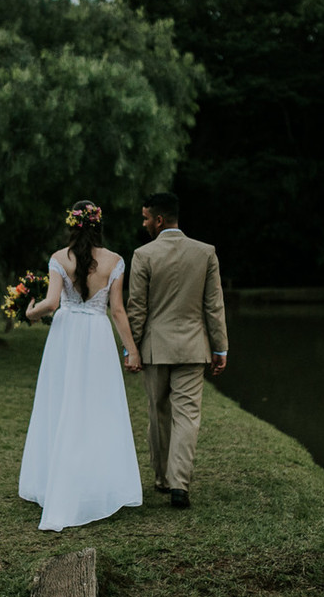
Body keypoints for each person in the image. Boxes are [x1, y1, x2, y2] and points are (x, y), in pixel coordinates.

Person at [17, 200, 144, 531]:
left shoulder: (59, 258)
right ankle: (95, 483)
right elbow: (118, 311)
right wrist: (131, 350)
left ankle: (58, 481)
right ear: (98, 226)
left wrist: (30, 313)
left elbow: (52, 303)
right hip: (98, 336)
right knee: (97, 407)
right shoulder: (115, 261)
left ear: (71, 226)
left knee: (61, 405)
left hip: (66, 335)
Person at [127, 192, 228, 509]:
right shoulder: (205, 252)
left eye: (146, 218)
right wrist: (220, 347)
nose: (144, 224)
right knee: (187, 416)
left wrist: (132, 349)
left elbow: (137, 309)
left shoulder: (143, 255)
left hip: (155, 348)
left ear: (159, 220)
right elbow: (214, 306)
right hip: (193, 348)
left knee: (158, 412)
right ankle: (180, 484)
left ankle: (163, 478)